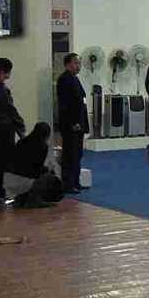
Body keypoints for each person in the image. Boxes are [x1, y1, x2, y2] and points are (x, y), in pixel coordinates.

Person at [0, 58, 26, 204]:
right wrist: (21, 127)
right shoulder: (0, 90)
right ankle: (1, 192)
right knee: (4, 161)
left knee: (2, 161)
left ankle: (0, 192)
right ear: (3, 72)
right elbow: (10, 110)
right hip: (6, 129)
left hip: (0, 128)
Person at [4, 122, 64, 208]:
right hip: (24, 180)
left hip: (8, 179)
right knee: (49, 178)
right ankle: (33, 200)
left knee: (27, 174)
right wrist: (48, 170)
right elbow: (36, 169)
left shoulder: (21, 142)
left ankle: (21, 198)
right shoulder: (43, 147)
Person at [57, 52, 89, 194]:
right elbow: (66, 105)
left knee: (77, 154)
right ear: (68, 64)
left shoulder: (74, 79)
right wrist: (73, 122)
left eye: (79, 63)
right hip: (71, 124)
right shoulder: (64, 79)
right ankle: (68, 184)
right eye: (76, 63)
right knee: (70, 154)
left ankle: (75, 181)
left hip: (79, 123)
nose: (78, 66)